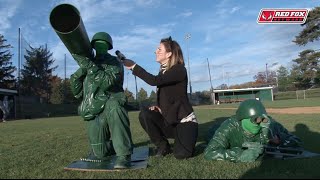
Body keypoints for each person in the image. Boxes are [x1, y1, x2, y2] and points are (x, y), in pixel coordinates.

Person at [122, 36, 198, 159]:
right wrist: (159, 107)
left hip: (184, 123)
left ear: (169, 54)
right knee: (145, 114)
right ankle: (163, 146)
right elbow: (168, 95)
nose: (155, 51)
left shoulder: (179, 69)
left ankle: (186, 141)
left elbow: (154, 81)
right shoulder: (163, 71)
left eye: (159, 49)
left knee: (181, 154)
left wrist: (134, 67)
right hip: (170, 121)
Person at [70, 32, 133, 169]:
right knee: (100, 153)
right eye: (97, 44)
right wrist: (79, 73)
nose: (100, 47)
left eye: (103, 45)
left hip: (110, 102)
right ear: (93, 46)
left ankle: (124, 155)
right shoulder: (88, 63)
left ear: (109, 47)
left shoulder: (114, 62)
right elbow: (76, 92)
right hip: (94, 109)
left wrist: (90, 66)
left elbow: (107, 83)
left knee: (116, 108)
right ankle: (113, 145)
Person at [204, 99, 302, 163]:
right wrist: (239, 155)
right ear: (243, 118)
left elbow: (295, 140)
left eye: (262, 119)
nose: (260, 124)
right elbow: (210, 152)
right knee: (210, 134)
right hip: (213, 132)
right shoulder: (229, 126)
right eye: (256, 120)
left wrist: (280, 139)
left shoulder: (270, 125)